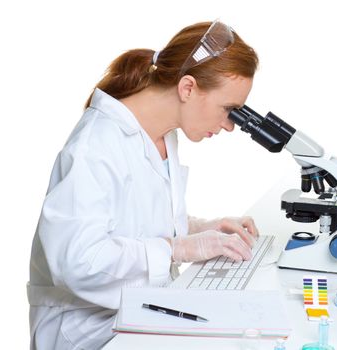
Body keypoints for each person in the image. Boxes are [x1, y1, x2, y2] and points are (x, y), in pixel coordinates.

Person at [28, 20, 260, 349]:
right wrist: (180, 249)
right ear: (188, 88)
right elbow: (77, 260)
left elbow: (133, 219)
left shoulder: (162, 132)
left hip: (137, 308)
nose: (230, 125)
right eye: (229, 110)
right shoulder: (94, 147)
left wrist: (201, 229)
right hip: (87, 328)